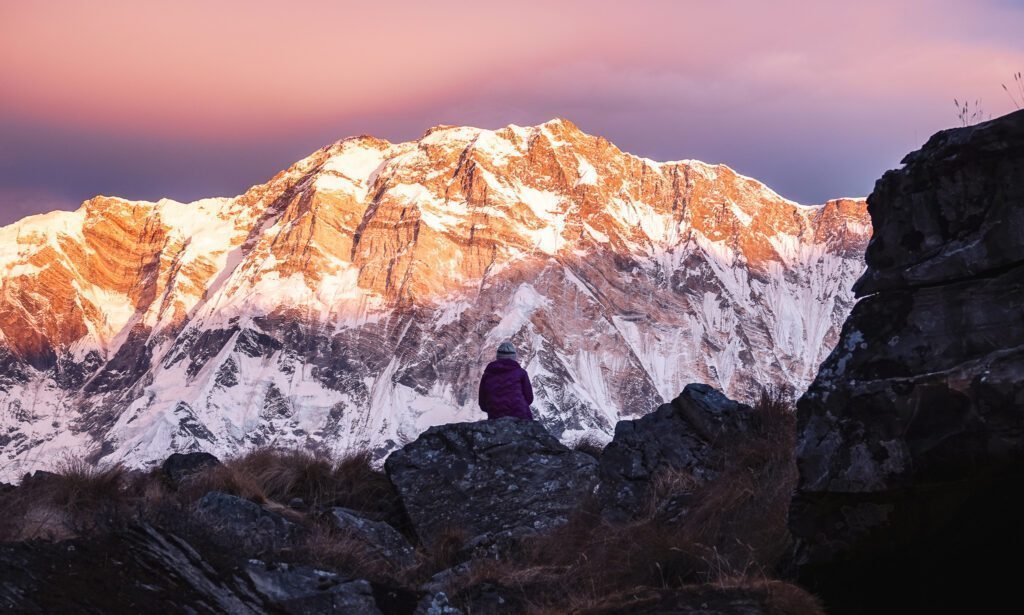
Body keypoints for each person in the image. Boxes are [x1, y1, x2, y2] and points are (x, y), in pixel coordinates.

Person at [478, 341, 534, 420]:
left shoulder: (487, 374)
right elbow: (529, 398)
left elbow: (482, 403)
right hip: (521, 418)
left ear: (498, 356)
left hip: (495, 419)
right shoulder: (521, 373)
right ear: (514, 357)